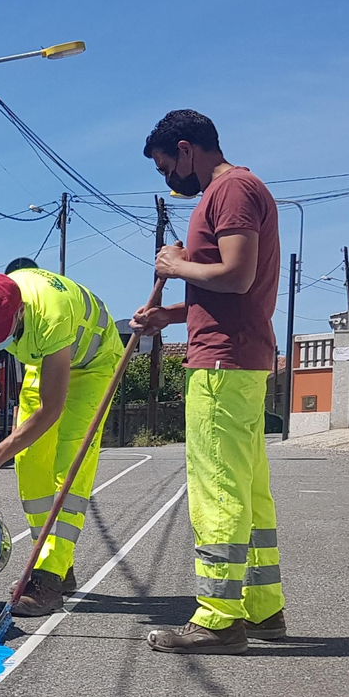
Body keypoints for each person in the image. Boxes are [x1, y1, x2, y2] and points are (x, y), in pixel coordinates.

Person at [131, 109, 285, 654]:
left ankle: (220, 618)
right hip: (237, 357)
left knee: (217, 487)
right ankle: (264, 609)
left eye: (166, 166)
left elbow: (237, 275)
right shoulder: (233, 192)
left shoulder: (233, 190)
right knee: (247, 490)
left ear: (186, 148)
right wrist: (170, 317)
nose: (168, 179)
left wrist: (174, 265)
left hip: (222, 365)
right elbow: (220, 292)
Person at [0, 265, 123, 617]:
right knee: (30, 461)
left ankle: (48, 577)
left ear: (19, 312)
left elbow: (51, 409)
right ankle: (52, 561)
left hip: (93, 364)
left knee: (70, 462)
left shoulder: (51, 312)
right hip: (45, 360)